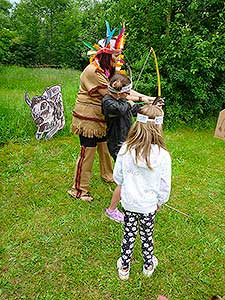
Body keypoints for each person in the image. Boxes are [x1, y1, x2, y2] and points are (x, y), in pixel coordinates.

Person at [113, 105, 171, 280]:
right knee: (147, 235)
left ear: (137, 125)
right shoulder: (163, 156)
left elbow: (117, 177)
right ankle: (148, 265)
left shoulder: (125, 149)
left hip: (129, 203)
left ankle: (124, 267)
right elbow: (164, 185)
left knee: (129, 233)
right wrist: (160, 201)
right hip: (148, 206)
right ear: (159, 128)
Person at [102, 73, 150, 222]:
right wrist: (131, 101)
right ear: (120, 92)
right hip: (117, 143)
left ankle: (126, 199)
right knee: (125, 176)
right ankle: (112, 209)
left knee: (128, 173)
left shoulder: (123, 100)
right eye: (127, 92)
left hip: (127, 141)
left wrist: (150, 106)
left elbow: (134, 110)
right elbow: (120, 109)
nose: (129, 94)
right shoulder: (108, 101)